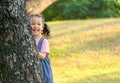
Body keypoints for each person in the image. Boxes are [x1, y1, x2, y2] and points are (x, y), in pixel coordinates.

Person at [30, 14, 54, 83]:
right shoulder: (27, 40)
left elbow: (43, 56)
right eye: (32, 24)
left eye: (38, 24)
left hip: (43, 70)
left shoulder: (44, 41)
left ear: (42, 27)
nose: (36, 26)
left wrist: (32, 50)